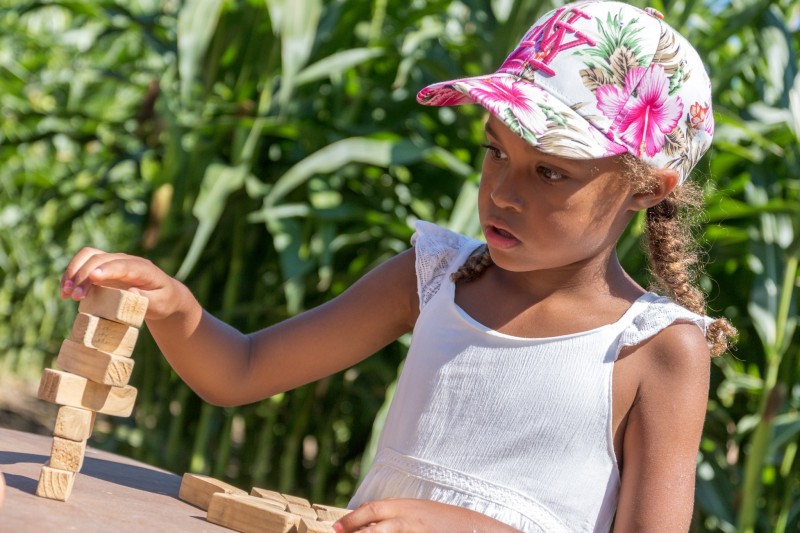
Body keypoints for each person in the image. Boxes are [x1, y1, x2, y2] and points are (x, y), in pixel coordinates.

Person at [61, 1, 736, 531]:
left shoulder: (655, 350)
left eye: (550, 171)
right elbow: (238, 371)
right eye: (494, 149)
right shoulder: (436, 276)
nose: (503, 189)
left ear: (647, 188)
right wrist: (175, 306)